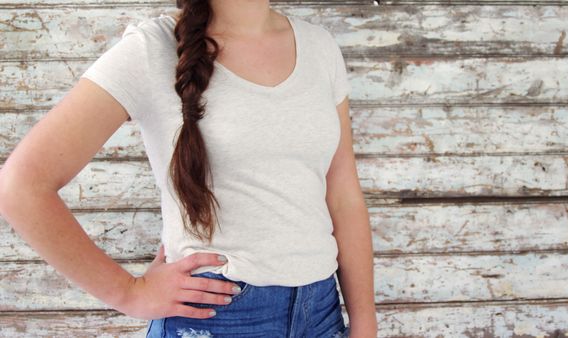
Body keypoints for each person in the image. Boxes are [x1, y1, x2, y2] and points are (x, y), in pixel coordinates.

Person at [0, 0, 377, 337]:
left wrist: (365, 321)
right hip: (217, 316)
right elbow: (21, 186)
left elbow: (343, 194)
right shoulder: (152, 49)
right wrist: (128, 293)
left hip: (323, 313)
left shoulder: (320, 47)